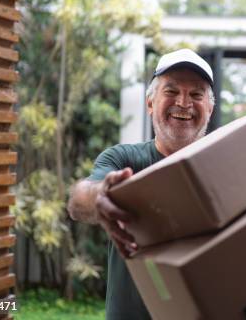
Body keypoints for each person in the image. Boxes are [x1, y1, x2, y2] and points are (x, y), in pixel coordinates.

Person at [67, 49, 215, 320]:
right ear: (150, 102)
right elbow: (79, 200)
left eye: (196, 94)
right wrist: (101, 195)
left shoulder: (224, 167)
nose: (183, 103)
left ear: (210, 109)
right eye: (171, 91)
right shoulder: (124, 160)